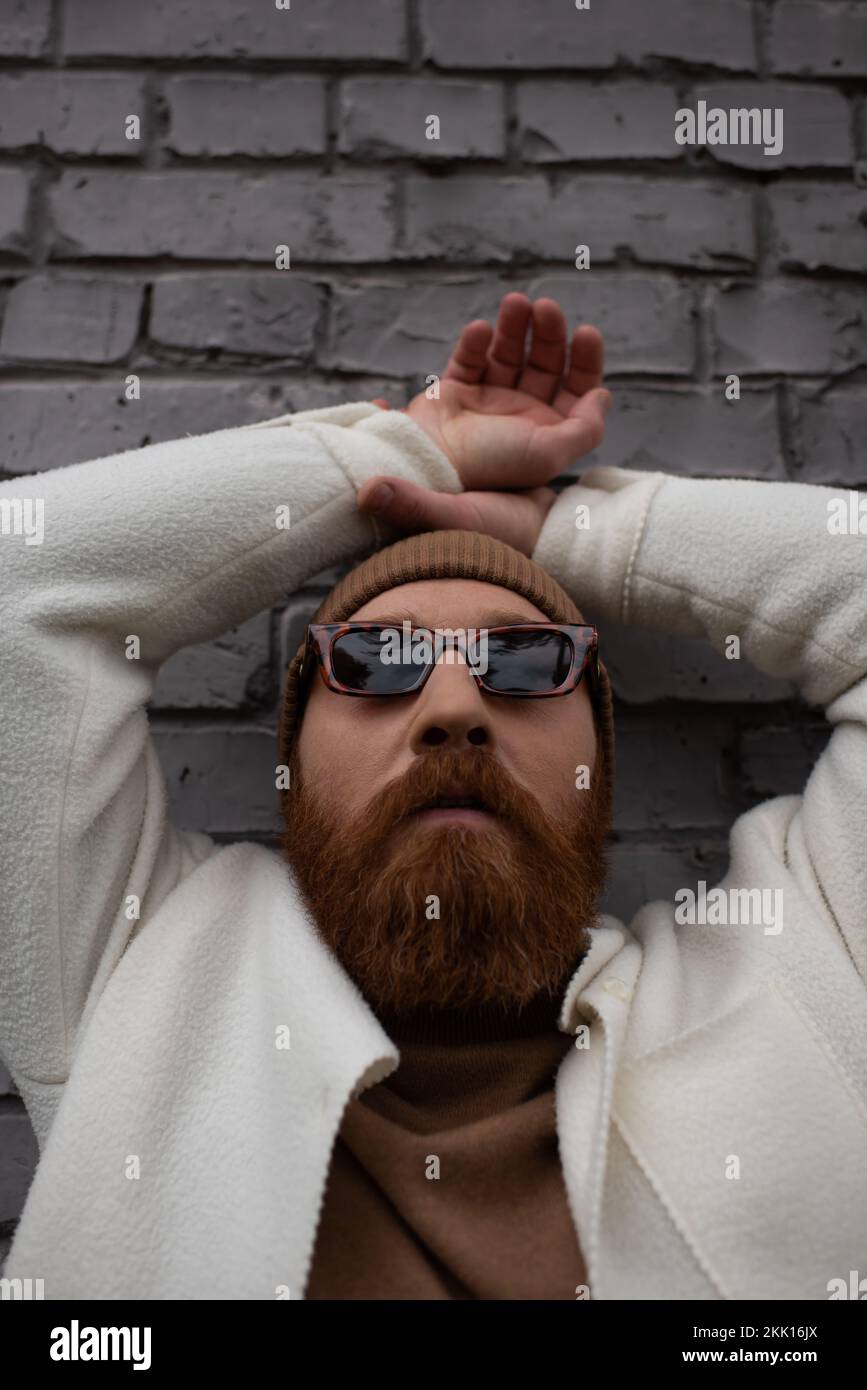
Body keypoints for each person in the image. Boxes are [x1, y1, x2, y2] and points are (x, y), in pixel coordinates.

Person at [1, 293, 865, 1301]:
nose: (454, 709)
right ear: (293, 759)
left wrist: (568, 530)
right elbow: (23, 588)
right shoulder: (135, 967)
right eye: (372, 662)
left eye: (529, 661)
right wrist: (414, 451)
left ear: (599, 762)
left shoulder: (806, 967)